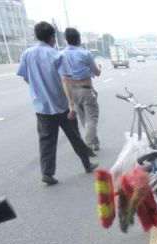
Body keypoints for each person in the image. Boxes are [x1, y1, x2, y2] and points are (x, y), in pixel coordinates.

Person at [17, 21, 97, 186]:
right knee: (74, 136)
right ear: (52, 37)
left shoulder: (27, 54)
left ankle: (47, 173)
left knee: (46, 141)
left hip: (41, 107)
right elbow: (66, 80)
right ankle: (87, 164)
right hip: (61, 105)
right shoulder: (56, 55)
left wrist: (39, 90)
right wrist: (71, 105)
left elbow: (26, 77)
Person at [61, 27, 101, 153]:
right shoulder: (85, 53)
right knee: (92, 118)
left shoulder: (61, 55)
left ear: (66, 40)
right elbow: (96, 72)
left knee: (84, 119)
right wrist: (99, 67)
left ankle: (94, 143)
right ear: (79, 39)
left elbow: (64, 79)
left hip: (71, 90)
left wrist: (70, 102)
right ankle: (88, 144)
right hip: (85, 89)